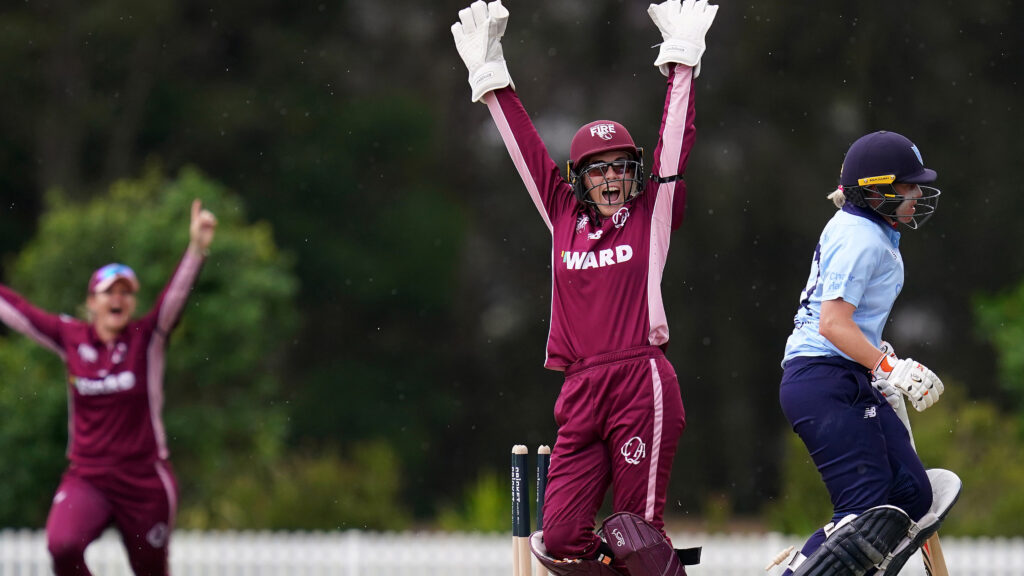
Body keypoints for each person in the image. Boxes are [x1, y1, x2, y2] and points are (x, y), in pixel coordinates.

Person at [452, 1, 716, 574]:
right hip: (579, 388)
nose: (612, 177)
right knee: (564, 538)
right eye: (598, 168)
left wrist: (682, 65)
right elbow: (526, 151)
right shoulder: (561, 216)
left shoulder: (654, 212)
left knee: (638, 533)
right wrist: (491, 77)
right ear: (579, 179)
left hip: (639, 380)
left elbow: (674, 146)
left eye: (621, 166)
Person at [0, 199, 217, 576]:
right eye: (110, 292)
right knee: (63, 546)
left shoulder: (147, 338)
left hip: (144, 480)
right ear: (92, 301)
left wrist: (197, 249)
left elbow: (174, 299)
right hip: (89, 476)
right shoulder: (72, 337)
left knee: (150, 570)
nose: (119, 299)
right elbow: (20, 312)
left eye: (126, 292)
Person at [778, 131, 961, 575]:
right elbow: (832, 324)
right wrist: (887, 366)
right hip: (822, 378)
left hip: (844, 374)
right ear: (875, 189)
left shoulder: (870, 229)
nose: (917, 193)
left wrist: (876, 359)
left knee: (913, 498)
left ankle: (862, 565)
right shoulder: (861, 236)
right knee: (865, 512)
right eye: (907, 185)